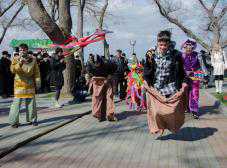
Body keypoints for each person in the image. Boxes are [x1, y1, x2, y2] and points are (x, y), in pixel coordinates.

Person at [143, 30, 188, 135]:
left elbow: (182, 71)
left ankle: (168, 125)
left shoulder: (176, 55)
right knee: (157, 112)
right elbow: (147, 69)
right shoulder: (150, 54)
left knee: (170, 111)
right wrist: (146, 79)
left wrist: (184, 82)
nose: (163, 47)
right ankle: (160, 126)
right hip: (156, 87)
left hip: (170, 86)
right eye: (160, 44)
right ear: (157, 42)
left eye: (165, 44)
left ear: (169, 43)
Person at [9, 44, 40, 128]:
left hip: (29, 84)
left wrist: (38, 81)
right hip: (19, 84)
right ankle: (14, 122)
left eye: (23, 50)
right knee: (16, 104)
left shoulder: (33, 59)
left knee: (31, 103)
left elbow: (36, 72)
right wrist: (20, 63)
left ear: (27, 50)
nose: (22, 51)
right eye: (20, 50)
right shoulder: (15, 59)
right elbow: (12, 70)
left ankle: (32, 120)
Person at [87, 55, 117, 122]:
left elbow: (115, 67)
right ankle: (98, 114)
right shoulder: (90, 65)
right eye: (95, 63)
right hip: (97, 82)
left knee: (109, 97)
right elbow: (89, 73)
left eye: (98, 63)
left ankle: (110, 114)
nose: (96, 64)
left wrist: (109, 76)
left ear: (100, 61)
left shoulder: (107, 64)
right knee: (97, 98)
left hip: (106, 80)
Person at [181, 39, 202, 119]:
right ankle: (186, 107)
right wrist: (185, 72)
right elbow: (179, 67)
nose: (189, 49)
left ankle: (194, 110)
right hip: (184, 77)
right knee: (184, 93)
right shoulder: (182, 56)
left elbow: (200, 66)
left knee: (195, 93)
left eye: (191, 48)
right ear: (185, 47)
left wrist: (200, 75)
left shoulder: (197, 55)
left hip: (195, 77)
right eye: (187, 48)